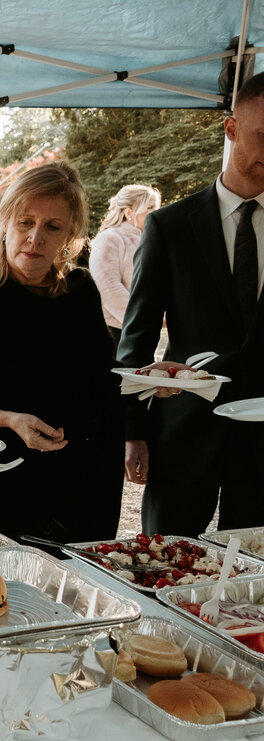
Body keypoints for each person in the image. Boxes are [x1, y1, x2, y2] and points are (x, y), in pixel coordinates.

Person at [0, 162, 124, 543]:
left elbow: (100, 375)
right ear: (5, 224)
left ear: (71, 235)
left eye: (53, 227)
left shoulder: (80, 290)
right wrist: (10, 420)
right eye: (25, 222)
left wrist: (151, 375)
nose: (36, 238)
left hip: (78, 484)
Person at [119, 73, 264, 536]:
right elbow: (137, 335)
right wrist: (133, 431)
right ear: (231, 129)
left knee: (251, 583)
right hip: (182, 432)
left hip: (263, 442)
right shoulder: (170, 227)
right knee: (162, 560)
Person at [89, 184, 162, 342]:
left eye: (156, 207)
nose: (156, 212)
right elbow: (106, 287)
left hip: (141, 329)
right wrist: (141, 319)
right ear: (129, 212)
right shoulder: (110, 238)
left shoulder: (148, 241)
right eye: (150, 207)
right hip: (114, 333)